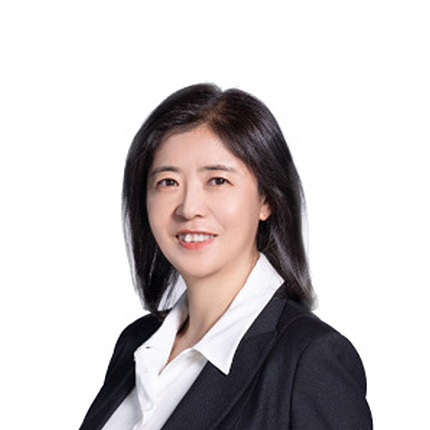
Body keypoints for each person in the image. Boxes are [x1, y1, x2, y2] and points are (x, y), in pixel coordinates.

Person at [79, 83, 372, 429]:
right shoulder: (137, 343)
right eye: (168, 182)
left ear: (266, 200)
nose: (189, 208)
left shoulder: (309, 359)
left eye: (217, 180)